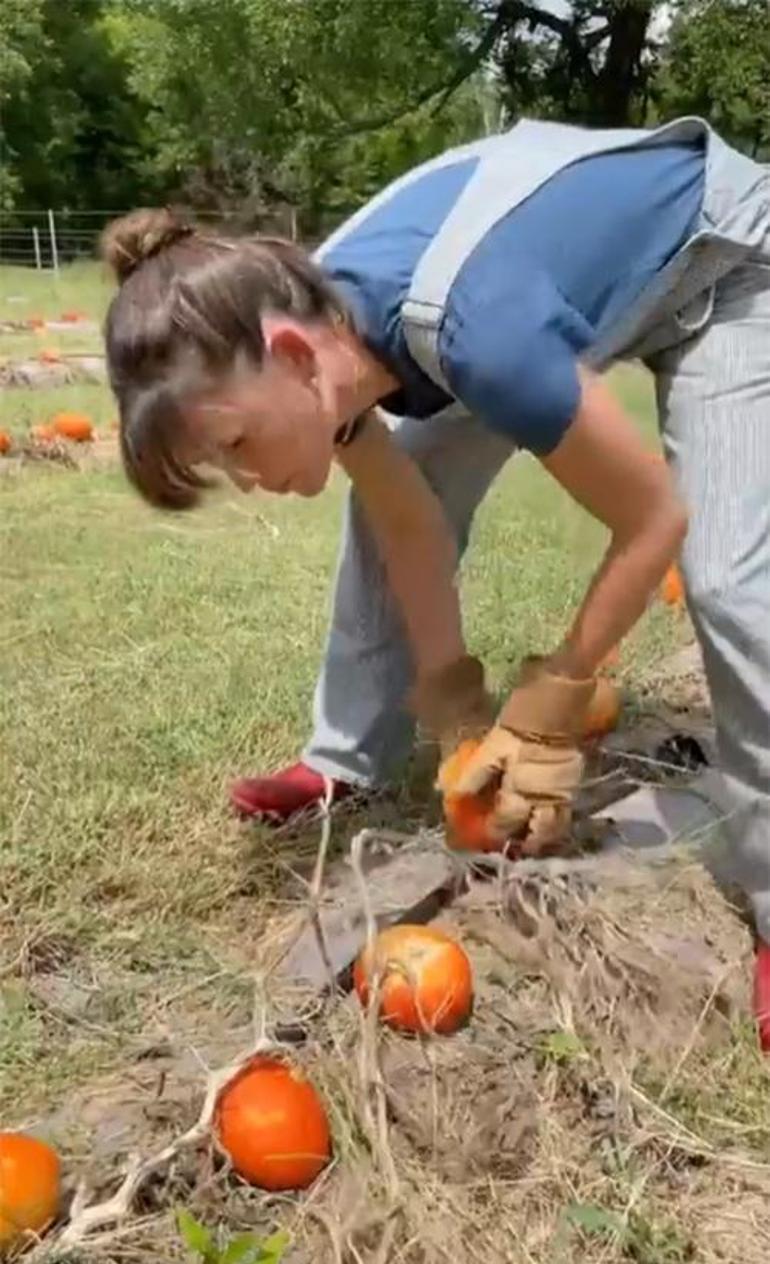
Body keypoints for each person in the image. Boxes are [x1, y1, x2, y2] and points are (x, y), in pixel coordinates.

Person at [101, 115, 770, 1045]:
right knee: (379, 516)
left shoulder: (477, 334)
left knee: (735, 581)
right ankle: (345, 759)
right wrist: (459, 716)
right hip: (521, 305)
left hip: (723, 258)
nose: (248, 480)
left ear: (294, 357)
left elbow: (651, 517)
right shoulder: (305, 328)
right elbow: (411, 524)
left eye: (236, 446)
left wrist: (548, 712)